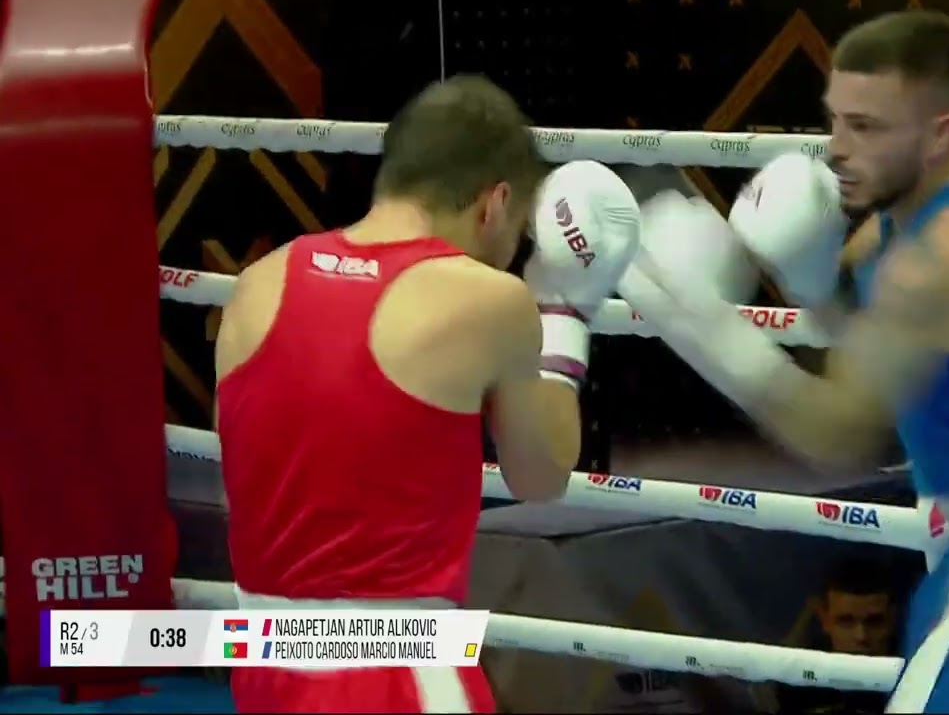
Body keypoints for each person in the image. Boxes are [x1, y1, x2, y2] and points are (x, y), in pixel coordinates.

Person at [619, 10, 949, 713]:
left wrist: (695, 323)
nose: (837, 150)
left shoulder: (948, 256)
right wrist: (812, 280)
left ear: (939, 135)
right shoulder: (944, 196)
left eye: (866, 127)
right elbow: (876, 343)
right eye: (836, 120)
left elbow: (836, 433)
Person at [214, 74, 640, 713]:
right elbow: (542, 476)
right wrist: (566, 314)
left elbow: (255, 479)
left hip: (264, 669)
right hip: (401, 673)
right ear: (495, 203)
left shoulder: (256, 284)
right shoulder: (489, 299)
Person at [775, 561, 903, 715]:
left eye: (874, 622)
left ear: (892, 619)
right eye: (846, 621)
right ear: (825, 621)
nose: (861, 636)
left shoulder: (914, 673)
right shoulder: (800, 683)